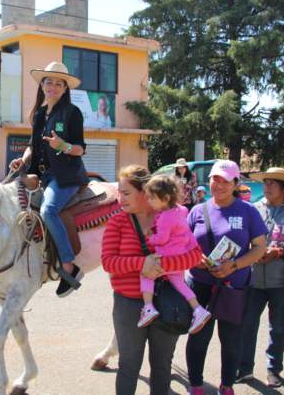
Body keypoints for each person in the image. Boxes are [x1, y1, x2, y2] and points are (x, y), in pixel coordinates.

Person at [101, 165, 203, 395]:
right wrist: (142, 264)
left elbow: (194, 254)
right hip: (128, 304)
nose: (120, 198)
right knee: (129, 365)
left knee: (162, 365)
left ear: (144, 192)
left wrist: (161, 266)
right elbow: (108, 262)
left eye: (126, 193)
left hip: (166, 302)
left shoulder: (172, 216)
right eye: (119, 192)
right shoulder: (117, 222)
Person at [185, 160, 269, 395]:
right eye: (215, 179)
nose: (219, 185)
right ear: (209, 181)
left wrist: (234, 265)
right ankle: (196, 386)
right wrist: (195, 258)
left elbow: (260, 247)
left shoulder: (248, 211)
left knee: (231, 340)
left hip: (235, 286)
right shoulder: (197, 211)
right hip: (200, 286)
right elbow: (182, 244)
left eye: (225, 180)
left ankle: (227, 386)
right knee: (198, 338)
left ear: (235, 183)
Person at [9, 61, 88, 297]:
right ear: (42, 85)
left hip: (67, 176)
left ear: (65, 88)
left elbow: (80, 149)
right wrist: (21, 161)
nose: (53, 86)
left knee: (49, 210)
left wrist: (62, 145)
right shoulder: (40, 114)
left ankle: (68, 265)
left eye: (58, 83)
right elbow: (33, 146)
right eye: (49, 81)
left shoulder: (72, 113)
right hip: (43, 175)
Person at [238, 167, 284, 388]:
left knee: (278, 327)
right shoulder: (253, 209)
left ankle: (273, 369)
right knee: (246, 325)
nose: (267, 186)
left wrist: (279, 252)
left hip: (282, 282)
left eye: (272, 183)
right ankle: (244, 369)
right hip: (252, 280)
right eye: (266, 182)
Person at [137, 175, 212, 333]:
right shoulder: (180, 209)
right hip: (180, 255)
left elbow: (162, 239)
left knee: (146, 274)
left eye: (151, 198)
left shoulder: (165, 216)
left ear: (164, 198)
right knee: (180, 284)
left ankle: (148, 307)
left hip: (167, 255)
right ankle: (198, 309)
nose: (148, 201)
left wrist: (149, 236)